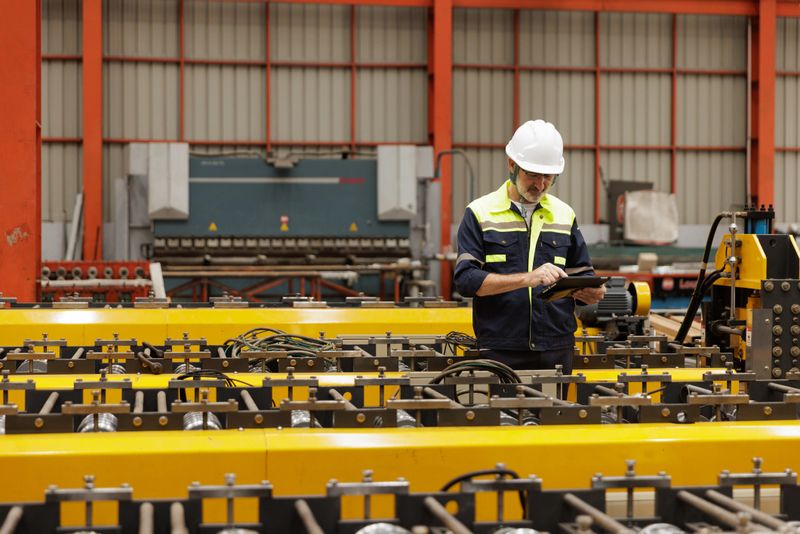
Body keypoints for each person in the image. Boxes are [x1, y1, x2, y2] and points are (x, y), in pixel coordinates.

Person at [453, 119, 606, 372]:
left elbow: (582, 274)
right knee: (504, 413)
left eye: (548, 176)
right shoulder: (480, 213)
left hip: (557, 346)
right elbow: (466, 281)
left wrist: (592, 293)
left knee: (557, 412)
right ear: (512, 165)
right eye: (533, 174)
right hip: (501, 348)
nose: (541, 184)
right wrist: (528, 279)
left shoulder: (564, 215)